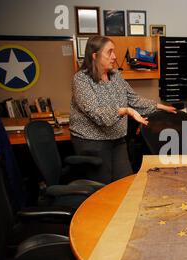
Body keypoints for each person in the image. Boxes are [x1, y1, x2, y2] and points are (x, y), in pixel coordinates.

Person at [70, 36, 176, 184]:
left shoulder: (115, 76)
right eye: (109, 52)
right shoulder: (81, 80)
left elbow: (133, 99)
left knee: (125, 183)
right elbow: (98, 114)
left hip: (117, 139)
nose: (114, 56)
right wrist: (126, 111)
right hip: (93, 142)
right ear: (95, 56)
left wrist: (159, 106)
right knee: (104, 188)